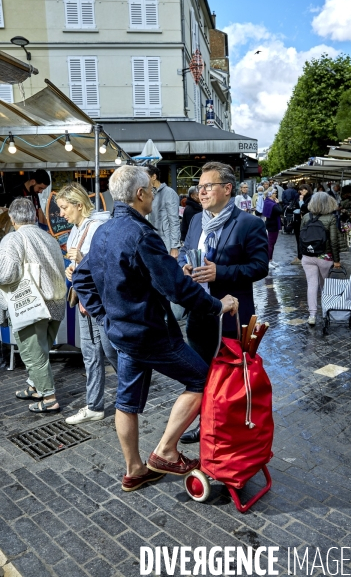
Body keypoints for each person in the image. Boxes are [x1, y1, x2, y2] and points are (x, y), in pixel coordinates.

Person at [72, 165, 238, 492]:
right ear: (139, 194)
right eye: (149, 189)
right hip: (149, 333)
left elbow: (81, 278)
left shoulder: (104, 230)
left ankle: (135, 470)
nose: (152, 193)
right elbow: (177, 288)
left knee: (127, 401)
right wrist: (218, 305)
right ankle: (164, 452)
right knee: (201, 378)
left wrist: (106, 317)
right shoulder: (141, 234)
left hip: (123, 333)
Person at [178, 161, 269, 443]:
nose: (201, 192)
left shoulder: (249, 224)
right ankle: (206, 425)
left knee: (230, 376)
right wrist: (184, 265)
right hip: (199, 311)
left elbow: (260, 267)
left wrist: (221, 272)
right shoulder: (196, 220)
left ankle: (233, 428)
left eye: (208, 186)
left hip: (232, 316)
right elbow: (184, 251)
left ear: (227, 189)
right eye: (200, 187)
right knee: (201, 374)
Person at [55, 183, 118, 424]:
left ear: (79, 205)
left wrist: (82, 262)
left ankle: (132, 394)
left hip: (100, 303)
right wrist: (73, 271)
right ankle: (94, 406)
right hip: (84, 300)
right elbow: (81, 266)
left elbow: (110, 266)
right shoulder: (76, 229)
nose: (61, 213)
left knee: (110, 350)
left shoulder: (98, 228)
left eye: (64, 208)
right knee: (90, 354)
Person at [0, 198, 66, 412]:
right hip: (55, 302)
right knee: (42, 350)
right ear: (34, 215)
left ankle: (49, 398)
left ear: (12, 217)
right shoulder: (49, 238)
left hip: (31, 305)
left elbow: (7, 274)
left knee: (32, 354)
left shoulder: (13, 239)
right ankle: (34, 386)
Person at [300, 192, 341, 326]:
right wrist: (337, 260)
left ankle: (312, 315)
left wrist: (301, 254)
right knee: (326, 286)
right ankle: (326, 312)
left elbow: (301, 236)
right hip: (325, 256)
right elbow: (334, 241)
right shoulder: (331, 218)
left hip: (308, 256)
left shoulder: (306, 216)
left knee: (312, 285)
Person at [147, 164, 180, 258]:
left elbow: (174, 221)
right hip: (152, 241)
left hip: (166, 242)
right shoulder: (148, 193)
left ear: (154, 176)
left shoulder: (169, 193)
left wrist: (174, 246)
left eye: (145, 177)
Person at [291, 184, 313, 265]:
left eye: (302, 190)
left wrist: (301, 201)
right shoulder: (299, 197)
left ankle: (304, 256)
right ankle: (300, 256)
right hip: (298, 220)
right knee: (298, 238)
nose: (301, 192)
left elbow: (305, 208)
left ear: (307, 190)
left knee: (304, 238)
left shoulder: (310, 198)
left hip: (306, 221)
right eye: (300, 190)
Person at [263, 189, 283, 269]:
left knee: (272, 243)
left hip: (271, 224)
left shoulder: (269, 202)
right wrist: (278, 204)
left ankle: (270, 259)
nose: (276, 195)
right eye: (275, 193)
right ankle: (267, 261)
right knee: (270, 243)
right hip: (272, 225)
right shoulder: (272, 204)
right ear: (270, 194)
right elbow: (280, 211)